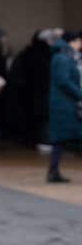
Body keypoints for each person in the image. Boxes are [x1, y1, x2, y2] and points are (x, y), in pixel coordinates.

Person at [46, 30, 82, 183]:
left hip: (63, 104)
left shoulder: (62, 56)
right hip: (65, 105)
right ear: (74, 41)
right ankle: (53, 172)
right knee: (70, 138)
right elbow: (64, 81)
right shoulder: (63, 58)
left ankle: (53, 172)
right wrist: (79, 95)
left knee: (60, 140)